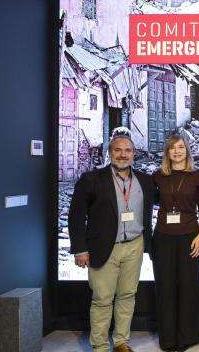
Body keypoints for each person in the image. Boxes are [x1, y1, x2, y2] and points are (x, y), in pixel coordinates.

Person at [68, 135, 154, 352]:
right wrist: (80, 249)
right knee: (102, 299)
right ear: (109, 153)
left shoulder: (145, 180)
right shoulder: (92, 179)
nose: (123, 154)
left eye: (127, 150)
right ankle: (99, 346)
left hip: (134, 245)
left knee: (127, 295)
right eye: (118, 150)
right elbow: (76, 216)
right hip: (102, 247)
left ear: (134, 154)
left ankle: (121, 341)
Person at [152, 134, 199, 352]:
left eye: (181, 147)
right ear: (167, 152)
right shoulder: (158, 176)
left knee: (188, 287)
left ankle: (187, 337)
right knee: (165, 288)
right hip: (163, 237)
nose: (177, 151)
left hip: (190, 237)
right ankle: (168, 339)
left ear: (187, 150)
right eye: (172, 148)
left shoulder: (198, 176)